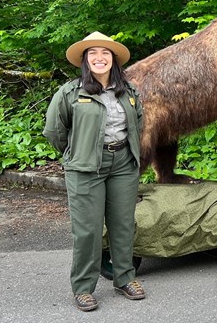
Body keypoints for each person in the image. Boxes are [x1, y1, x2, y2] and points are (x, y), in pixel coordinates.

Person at [43, 32, 145, 311]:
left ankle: (125, 278)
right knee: (87, 230)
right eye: (93, 54)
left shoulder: (129, 91)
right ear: (86, 61)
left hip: (123, 163)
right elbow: (55, 131)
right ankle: (83, 288)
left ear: (113, 60)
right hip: (86, 167)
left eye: (105, 53)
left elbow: (138, 125)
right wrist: (77, 152)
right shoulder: (70, 92)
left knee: (123, 224)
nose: (99, 58)